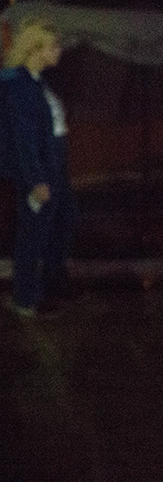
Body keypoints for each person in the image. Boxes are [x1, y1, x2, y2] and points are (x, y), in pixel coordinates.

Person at [1, 18, 74, 318]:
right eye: (54, 46)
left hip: (54, 170)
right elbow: (23, 139)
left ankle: (47, 287)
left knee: (63, 224)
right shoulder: (20, 86)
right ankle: (26, 299)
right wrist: (36, 180)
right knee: (34, 236)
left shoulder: (36, 81)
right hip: (42, 173)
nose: (59, 50)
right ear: (36, 49)